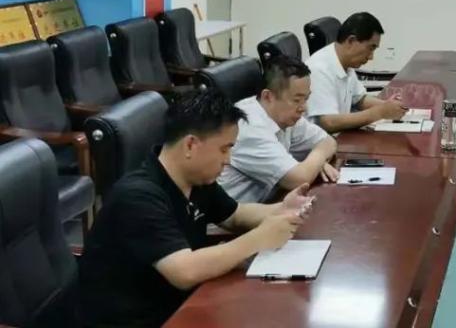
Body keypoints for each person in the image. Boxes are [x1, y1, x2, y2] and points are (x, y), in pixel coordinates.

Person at [80, 89, 314, 328]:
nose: (228, 160)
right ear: (190, 145)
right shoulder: (138, 196)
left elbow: (234, 215)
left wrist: (281, 209)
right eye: (224, 149)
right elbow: (185, 272)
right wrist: (259, 239)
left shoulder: (196, 179)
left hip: (178, 306)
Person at [219, 55, 340, 203]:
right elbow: (299, 179)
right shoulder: (249, 126)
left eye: (306, 99)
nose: (304, 108)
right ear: (268, 97)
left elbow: (328, 141)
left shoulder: (284, 115)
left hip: (269, 203)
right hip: (234, 215)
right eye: (297, 100)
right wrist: (318, 160)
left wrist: (313, 163)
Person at [306, 11, 407, 133]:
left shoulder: (345, 62)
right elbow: (328, 122)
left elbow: (359, 99)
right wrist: (379, 112)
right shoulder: (319, 69)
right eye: (370, 48)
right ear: (351, 41)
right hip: (323, 141)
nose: (371, 57)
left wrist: (388, 106)